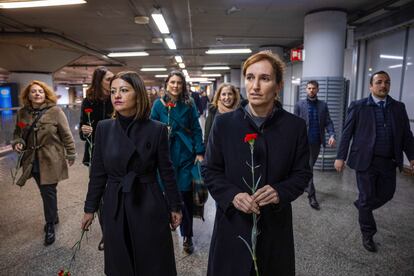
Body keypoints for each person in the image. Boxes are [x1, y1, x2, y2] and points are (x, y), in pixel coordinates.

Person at [202, 51, 311, 275]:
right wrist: (232, 195)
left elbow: (302, 174)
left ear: (279, 85)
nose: (255, 86)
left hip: (274, 225)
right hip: (232, 223)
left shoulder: (295, 127)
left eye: (265, 78)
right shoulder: (224, 124)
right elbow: (210, 170)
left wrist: (280, 191)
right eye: (250, 77)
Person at [81, 71, 182, 275]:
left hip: (147, 200)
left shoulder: (157, 129)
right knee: (120, 259)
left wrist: (175, 206)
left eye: (124, 90)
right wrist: (90, 208)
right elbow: (98, 173)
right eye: (113, 91)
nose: (117, 95)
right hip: (115, 201)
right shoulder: (103, 128)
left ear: (138, 95)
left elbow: (167, 172)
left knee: (152, 260)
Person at [334, 71, 414, 253]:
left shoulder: (398, 107)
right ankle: (368, 234)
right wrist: (340, 156)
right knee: (367, 196)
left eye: (387, 82)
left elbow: (407, 136)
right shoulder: (358, 106)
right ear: (371, 86)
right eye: (379, 82)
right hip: (366, 161)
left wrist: (412, 156)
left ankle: (362, 205)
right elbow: (347, 133)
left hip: (389, 161)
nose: (383, 85)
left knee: (387, 194)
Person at [11, 80, 76, 246]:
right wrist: (18, 142)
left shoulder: (55, 111)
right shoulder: (23, 113)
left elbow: (66, 134)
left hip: (50, 158)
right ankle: (53, 215)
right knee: (45, 191)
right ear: (28, 95)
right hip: (31, 160)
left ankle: (49, 225)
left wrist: (71, 153)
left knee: (48, 191)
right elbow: (18, 132)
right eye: (34, 91)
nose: (37, 94)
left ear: (46, 94)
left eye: (40, 91)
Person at [151, 70, 205, 254]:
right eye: (172, 82)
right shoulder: (158, 105)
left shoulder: (189, 105)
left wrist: (199, 151)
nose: (175, 85)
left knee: (184, 195)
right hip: (164, 157)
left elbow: (197, 129)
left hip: (185, 155)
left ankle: (187, 235)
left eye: (179, 83)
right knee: (165, 194)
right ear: (166, 84)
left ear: (183, 86)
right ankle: (167, 227)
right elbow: (150, 129)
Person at [79, 66, 114, 251]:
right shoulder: (89, 100)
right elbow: (81, 129)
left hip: (115, 152)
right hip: (95, 154)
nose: (112, 81)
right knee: (99, 193)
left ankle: (117, 228)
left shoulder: (116, 98)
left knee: (114, 193)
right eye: (109, 79)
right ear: (99, 81)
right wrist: (84, 131)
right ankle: (106, 234)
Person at [294, 80, 336, 210]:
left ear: (318, 90)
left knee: (308, 167)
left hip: (316, 142)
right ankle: (312, 196)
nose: (311, 90)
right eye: (309, 88)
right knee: (310, 168)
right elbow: (294, 123)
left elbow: (328, 122)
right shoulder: (299, 104)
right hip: (303, 142)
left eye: (313, 88)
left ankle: (306, 186)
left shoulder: (323, 105)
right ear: (306, 89)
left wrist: (332, 135)